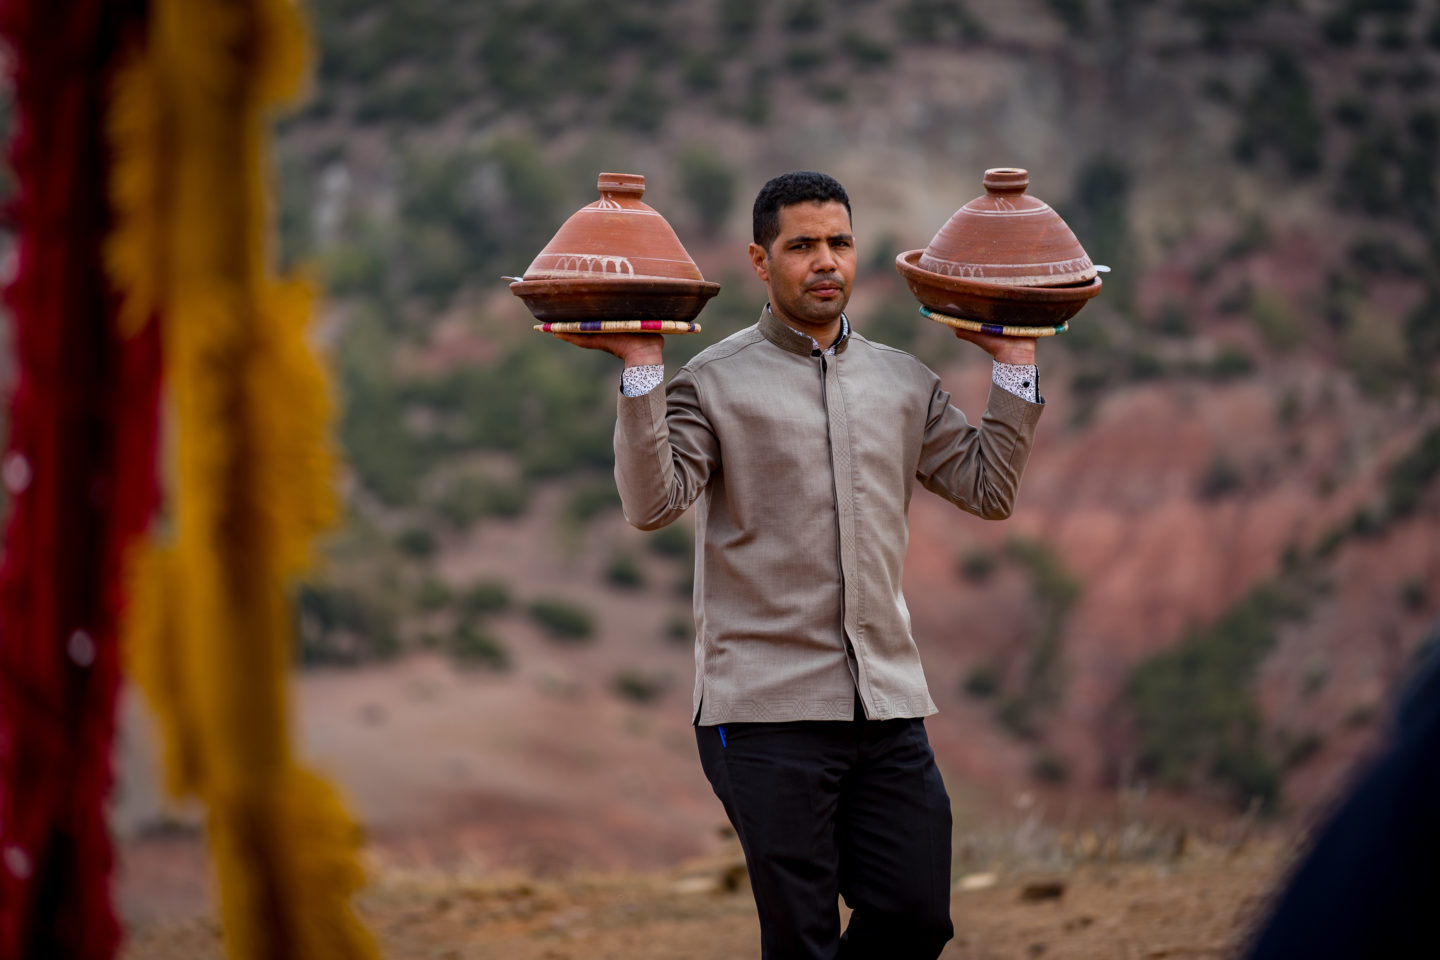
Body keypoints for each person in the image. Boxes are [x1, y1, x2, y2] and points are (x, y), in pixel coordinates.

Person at [555, 171, 1045, 959]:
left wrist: (1015, 362)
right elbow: (653, 504)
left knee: (917, 917)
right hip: (763, 713)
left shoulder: (902, 381)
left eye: (840, 243)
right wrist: (643, 364)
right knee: (802, 940)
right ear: (760, 258)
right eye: (803, 245)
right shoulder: (711, 382)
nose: (826, 261)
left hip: (887, 707)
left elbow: (988, 489)